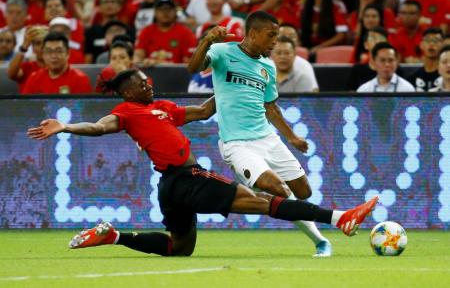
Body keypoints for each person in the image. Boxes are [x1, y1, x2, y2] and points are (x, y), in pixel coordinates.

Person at [27, 68, 379, 256]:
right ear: (127, 92)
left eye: (148, 81)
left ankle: (115, 236)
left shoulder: (163, 108)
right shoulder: (126, 111)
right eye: (142, 83)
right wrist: (66, 127)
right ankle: (340, 218)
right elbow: (100, 127)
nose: (149, 85)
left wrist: (231, 77)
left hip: (171, 186)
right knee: (264, 201)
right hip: (186, 179)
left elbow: (205, 110)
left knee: (179, 248)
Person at [188, 11, 333, 257]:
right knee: (279, 190)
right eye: (272, 35)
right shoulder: (223, 52)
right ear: (253, 33)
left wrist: (292, 137)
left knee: (304, 192)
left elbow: (271, 107)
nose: (276, 41)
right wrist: (207, 41)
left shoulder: (267, 66)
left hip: (267, 138)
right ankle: (321, 242)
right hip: (238, 144)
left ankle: (251, 195)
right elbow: (193, 67)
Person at [134, 0, 197, 66]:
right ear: (155, 12)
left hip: (178, 75)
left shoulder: (186, 33)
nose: (165, 12)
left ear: (175, 11)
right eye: (161, 9)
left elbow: (190, 64)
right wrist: (141, 62)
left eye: (169, 8)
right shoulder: (146, 32)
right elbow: (137, 57)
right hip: (150, 74)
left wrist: (161, 64)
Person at [22, 32, 92, 94]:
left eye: (59, 51)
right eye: (49, 51)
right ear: (43, 54)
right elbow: (25, 106)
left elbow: (83, 108)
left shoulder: (80, 79)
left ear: (68, 53)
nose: (54, 56)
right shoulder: (34, 78)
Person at [7, 25, 47, 93]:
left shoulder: (58, 68)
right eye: (38, 43)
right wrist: (24, 46)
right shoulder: (27, 67)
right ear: (33, 48)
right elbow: (11, 74)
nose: (42, 47)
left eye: (45, 43)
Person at [408, 27, 444, 91]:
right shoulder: (412, 79)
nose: (432, 44)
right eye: (428, 40)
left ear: (442, 45)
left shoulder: (446, 77)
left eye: (436, 40)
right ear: (421, 45)